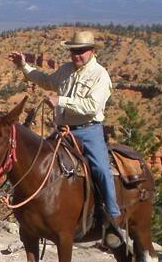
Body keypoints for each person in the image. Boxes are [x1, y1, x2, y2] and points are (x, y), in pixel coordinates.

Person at [8, 29, 128, 249]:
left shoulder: (100, 75)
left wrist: (61, 101)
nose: (76, 55)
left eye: (81, 51)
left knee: (101, 169)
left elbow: (92, 106)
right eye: (74, 51)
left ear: (92, 51)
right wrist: (24, 67)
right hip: (63, 130)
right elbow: (46, 81)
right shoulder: (66, 70)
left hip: (88, 131)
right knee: (38, 160)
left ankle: (113, 220)